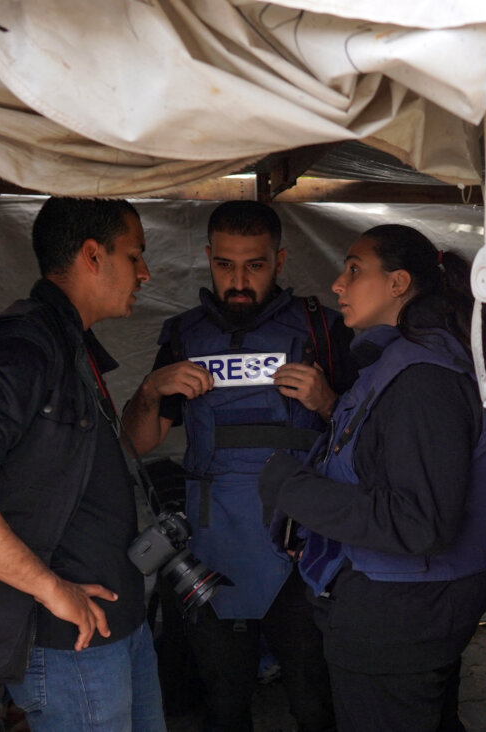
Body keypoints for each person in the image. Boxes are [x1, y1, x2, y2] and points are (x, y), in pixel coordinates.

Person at [0, 197, 165, 731]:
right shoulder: (23, 343)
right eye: (134, 255)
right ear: (93, 256)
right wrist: (50, 586)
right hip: (70, 642)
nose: (145, 272)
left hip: (114, 625)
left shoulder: (68, 344)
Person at [258, 224, 486, 732]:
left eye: (353, 270)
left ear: (398, 283)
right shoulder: (399, 359)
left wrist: (291, 486)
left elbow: (418, 523)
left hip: (403, 613)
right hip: (411, 602)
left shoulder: (423, 377)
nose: (337, 284)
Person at [122, 200, 349, 732]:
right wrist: (152, 389)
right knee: (223, 706)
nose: (239, 280)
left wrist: (329, 403)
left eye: (256, 264)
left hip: (303, 549)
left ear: (281, 259)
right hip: (213, 549)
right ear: (207, 258)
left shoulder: (324, 329)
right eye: (225, 264)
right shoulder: (184, 338)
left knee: (317, 705)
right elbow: (137, 440)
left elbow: (370, 444)